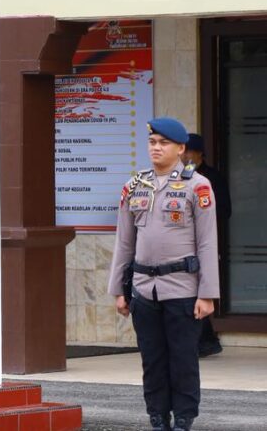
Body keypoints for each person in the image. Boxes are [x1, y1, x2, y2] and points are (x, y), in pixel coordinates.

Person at [108, 118, 219, 431]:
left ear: (181, 148)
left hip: (182, 287)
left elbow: (207, 242)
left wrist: (207, 294)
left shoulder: (197, 186)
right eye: (152, 142)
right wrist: (119, 290)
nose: (156, 148)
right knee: (152, 359)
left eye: (164, 143)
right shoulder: (135, 186)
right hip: (144, 288)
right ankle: (157, 417)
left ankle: (184, 418)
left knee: (183, 359)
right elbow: (124, 241)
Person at [184, 133, 230, 358]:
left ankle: (207, 341)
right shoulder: (180, 177)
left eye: (189, 151)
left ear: (200, 153)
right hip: (183, 246)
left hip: (204, 243)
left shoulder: (211, 178)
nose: (185, 156)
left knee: (199, 292)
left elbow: (224, 211)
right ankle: (205, 340)